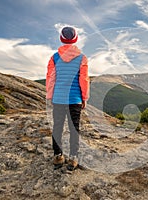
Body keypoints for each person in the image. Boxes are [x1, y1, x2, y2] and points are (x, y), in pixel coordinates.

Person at [46, 26, 89, 170]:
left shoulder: (54, 57)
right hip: (74, 99)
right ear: (75, 39)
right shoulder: (82, 58)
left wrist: (50, 95)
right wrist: (84, 98)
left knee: (57, 127)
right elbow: (84, 80)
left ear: (61, 39)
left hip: (58, 99)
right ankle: (73, 158)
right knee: (74, 128)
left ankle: (58, 156)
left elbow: (51, 79)